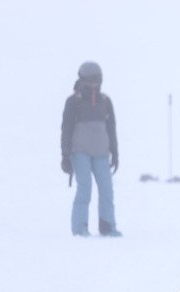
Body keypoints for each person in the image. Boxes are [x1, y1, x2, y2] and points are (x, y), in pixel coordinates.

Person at [60, 61, 122, 237]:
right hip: (80, 152)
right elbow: (66, 129)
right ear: (82, 80)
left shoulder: (105, 101)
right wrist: (65, 154)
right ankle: (80, 227)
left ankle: (107, 226)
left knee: (107, 190)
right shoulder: (73, 102)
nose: (94, 84)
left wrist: (115, 153)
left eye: (96, 80)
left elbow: (111, 128)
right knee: (85, 188)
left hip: (102, 152)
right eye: (90, 80)